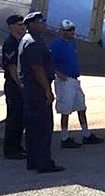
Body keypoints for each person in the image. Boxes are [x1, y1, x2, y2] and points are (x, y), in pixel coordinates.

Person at [18, 12, 64, 173]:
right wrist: (47, 90)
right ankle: (44, 163)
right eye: (41, 21)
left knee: (32, 128)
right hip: (38, 90)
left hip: (30, 90)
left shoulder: (27, 40)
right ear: (31, 24)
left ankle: (33, 161)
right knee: (43, 128)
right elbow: (38, 68)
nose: (44, 23)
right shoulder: (34, 43)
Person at [50, 19, 105, 148]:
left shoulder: (72, 42)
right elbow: (48, 61)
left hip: (74, 79)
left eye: (72, 29)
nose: (71, 32)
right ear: (62, 31)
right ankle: (64, 138)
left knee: (81, 106)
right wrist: (58, 73)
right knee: (65, 109)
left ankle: (86, 134)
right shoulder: (56, 44)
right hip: (65, 81)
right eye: (68, 30)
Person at [3, 14, 26, 159]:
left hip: (20, 85)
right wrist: (20, 85)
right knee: (14, 118)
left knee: (21, 118)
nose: (23, 27)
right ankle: (10, 150)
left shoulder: (21, 42)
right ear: (12, 27)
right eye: (20, 24)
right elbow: (12, 67)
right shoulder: (10, 43)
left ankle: (17, 146)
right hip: (14, 85)